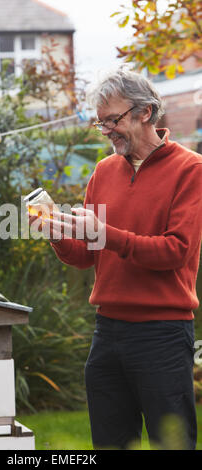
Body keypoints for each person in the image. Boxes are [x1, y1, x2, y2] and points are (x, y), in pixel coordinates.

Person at [29, 68, 202, 450]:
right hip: (107, 332)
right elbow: (87, 255)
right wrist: (55, 232)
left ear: (146, 112)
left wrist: (106, 234)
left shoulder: (191, 170)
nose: (106, 130)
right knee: (109, 443)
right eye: (100, 122)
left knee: (170, 443)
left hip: (162, 333)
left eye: (113, 119)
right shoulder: (104, 171)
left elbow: (176, 251)